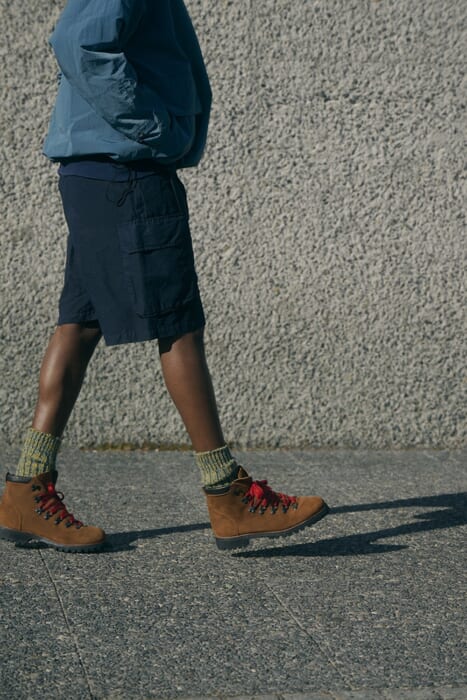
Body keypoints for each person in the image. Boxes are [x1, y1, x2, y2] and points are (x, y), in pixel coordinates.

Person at [0, 0, 328, 552]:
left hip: (102, 171)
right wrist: (154, 126)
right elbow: (80, 43)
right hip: (127, 171)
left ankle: (25, 490)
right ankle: (228, 495)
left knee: (79, 323)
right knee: (178, 325)